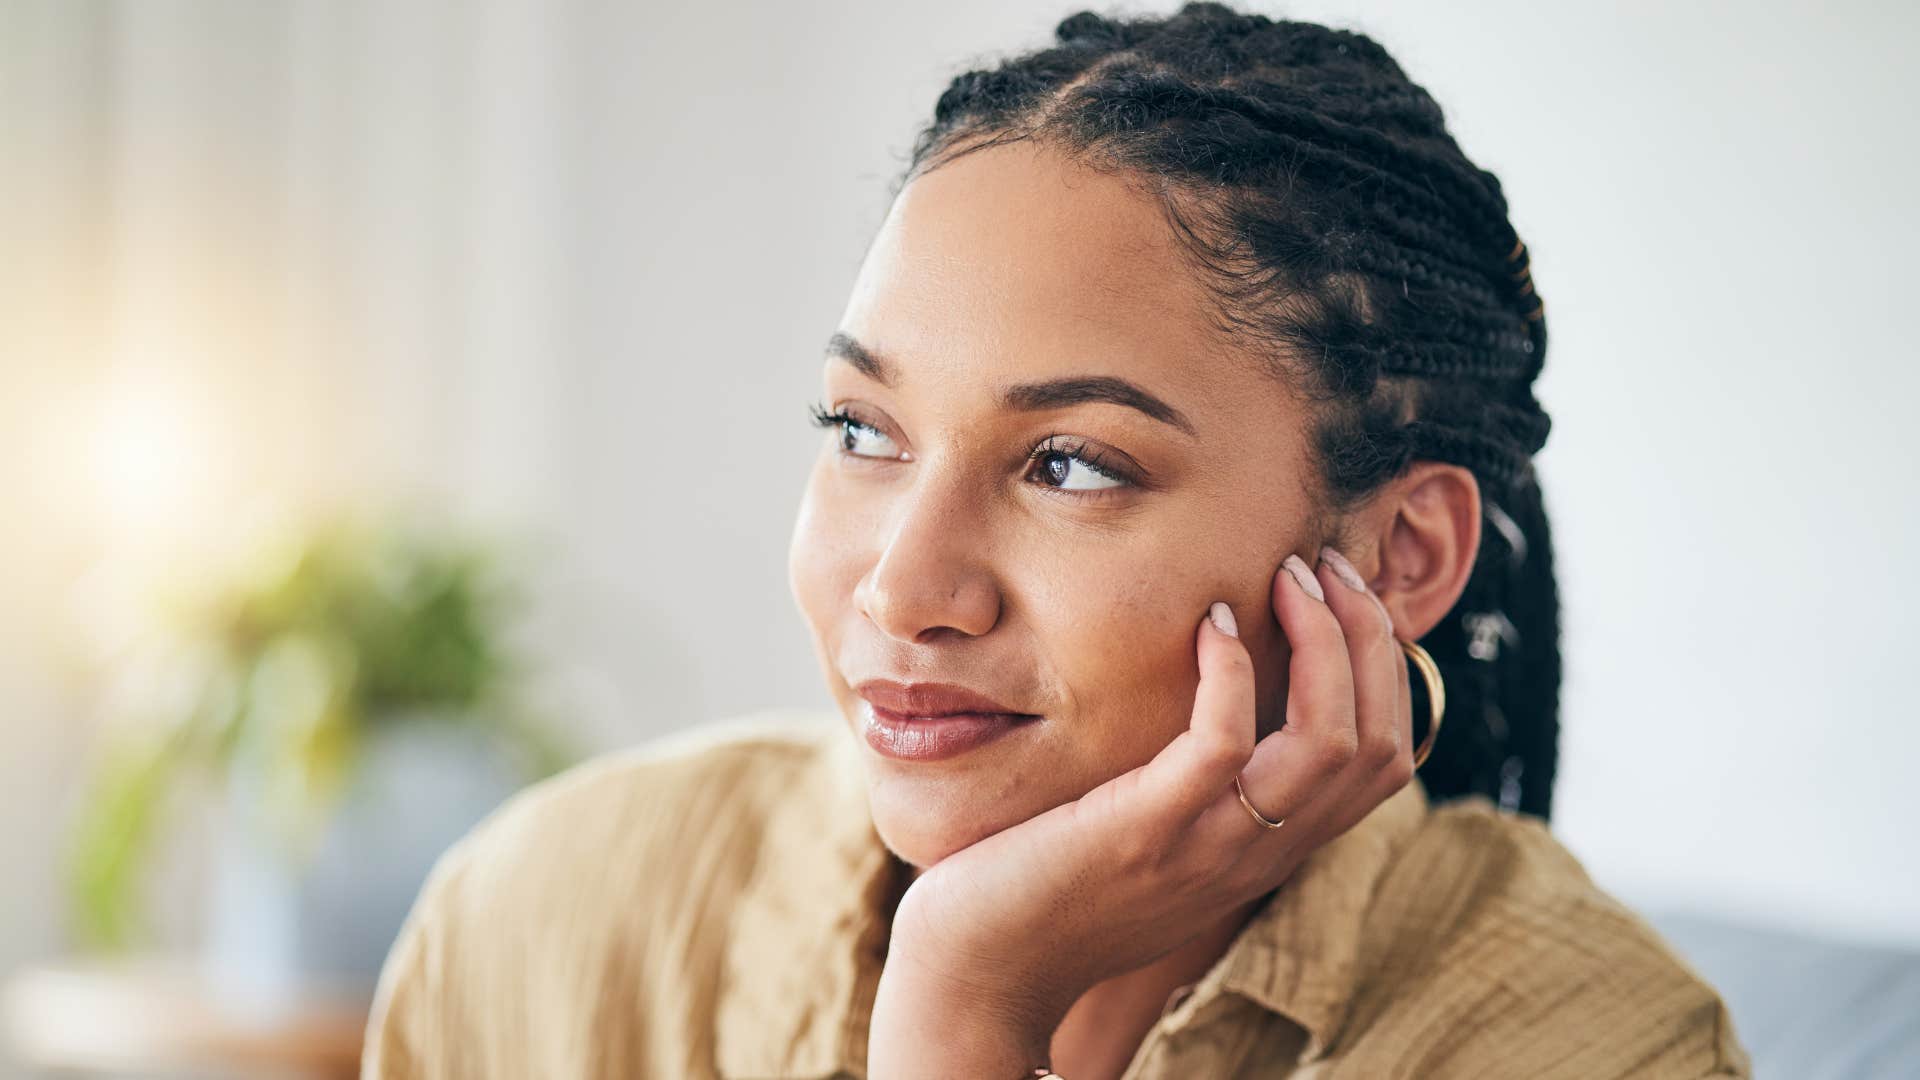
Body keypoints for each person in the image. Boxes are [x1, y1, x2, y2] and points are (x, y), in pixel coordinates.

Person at [361, 4, 1751, 1077]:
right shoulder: (550, 910)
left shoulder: (1594, 1043)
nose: (904, 587)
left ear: (1399, 557)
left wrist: (965, 1008)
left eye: (1071, 464)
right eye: (860, 429)